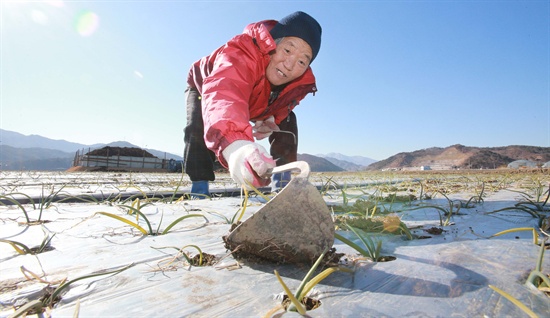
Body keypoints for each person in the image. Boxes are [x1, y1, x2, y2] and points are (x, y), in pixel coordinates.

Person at [183, 11, 322, 198]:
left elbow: (284, 105)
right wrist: (237, 147)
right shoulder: (244, 51)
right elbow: (226, 91)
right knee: (196, 126)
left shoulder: (298, 84)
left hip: (253, 100)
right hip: (206, 87)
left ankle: (282, 185)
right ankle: (199, 189)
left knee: (288, 121)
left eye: (301, 61)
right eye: (287, 50)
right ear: (273, 43)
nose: (289, 64)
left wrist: (271, 117)